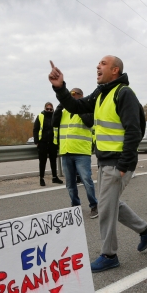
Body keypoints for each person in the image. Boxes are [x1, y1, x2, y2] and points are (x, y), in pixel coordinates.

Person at [48, 56, 147, 272]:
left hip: (118, 162)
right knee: (111, 203)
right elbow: (75, 106)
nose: (98, 66)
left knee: (106, 208)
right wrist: (60, 87)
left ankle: (109, 255)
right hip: (106, 160)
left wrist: (124, 165)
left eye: (103, 63)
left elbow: (134, 130)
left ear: (115, 70)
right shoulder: (101, 93)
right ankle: (146, 231)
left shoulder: (123, 93)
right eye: (98, 63)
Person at [53, 87, 98, 218]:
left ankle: (94, 205)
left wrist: (79, 108)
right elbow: (54, 123)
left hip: (81, 152)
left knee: (86, 180)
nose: (74, 96)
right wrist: (60, 106)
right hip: (66, 151)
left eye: (76, 94)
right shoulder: (64, 112)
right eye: (71, 95)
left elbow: (89, 122)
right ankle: (75, 206)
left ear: (81, 96)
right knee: (70, 183)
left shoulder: (88, 109)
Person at [33, 102, 63, 186]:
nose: (49, 110)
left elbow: (59, 129)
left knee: (53, 161)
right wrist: (36, 141)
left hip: (53, 143)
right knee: (42, 161)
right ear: (45, 109)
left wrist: (58, 142)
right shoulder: (40, 116)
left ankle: (55, 177)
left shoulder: (55, 117)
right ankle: (41, 178)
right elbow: (35, 129)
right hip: (42, 143)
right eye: (47, 109)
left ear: (53, 109)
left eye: (51, 109)